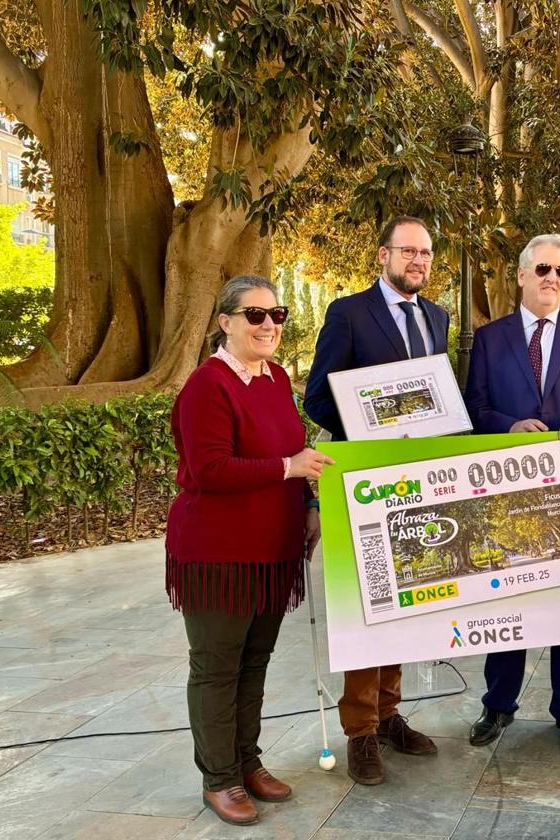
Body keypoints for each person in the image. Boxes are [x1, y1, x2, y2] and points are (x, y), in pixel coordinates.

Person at [166, 275, 330, 825]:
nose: (267, 325)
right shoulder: (206, 386)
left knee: (254, 663)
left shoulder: (276, 379)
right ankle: (220, 778)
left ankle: (247, 761)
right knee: (217, 668)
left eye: (276, 315)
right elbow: (209, 469)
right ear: (226, 321)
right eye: (254, 315)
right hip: (218, 557)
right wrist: (289, 467)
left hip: (270, 552)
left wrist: (308, 505)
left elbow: (291, 451)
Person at [303, 215, 445, 786]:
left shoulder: (437, 316)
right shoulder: (348, 313)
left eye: (426, 253)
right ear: (383, 255)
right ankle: (360, 730)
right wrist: (376, 423)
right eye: (408, 251)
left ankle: (388, 714)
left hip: (417, 485)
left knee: (404, 600)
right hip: (363, 481)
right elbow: (318, 398)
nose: (418, 261)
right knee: (364, 606)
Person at [464, 233, 560, 751]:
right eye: (544, 269)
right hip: (507, 493)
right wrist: (507, 426)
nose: (553, 278)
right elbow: (475, 409)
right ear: (523, 276)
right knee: (507, 600)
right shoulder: (490, 337)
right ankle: (497, 705)